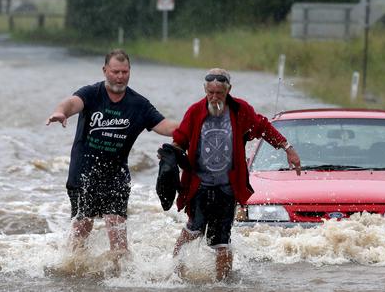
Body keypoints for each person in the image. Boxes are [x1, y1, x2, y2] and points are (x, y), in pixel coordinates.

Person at [46, 49, 178, 263]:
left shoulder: (139, 104)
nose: (120, 77)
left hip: (115, 175)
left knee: (117, 234)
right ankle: (71, 270)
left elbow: (163, 126)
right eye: (115, 71)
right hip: (84, 173)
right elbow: (72, 103)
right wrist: (61, 111)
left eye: (124, 72)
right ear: (105, 70)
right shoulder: (91, 93)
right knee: (82, 229)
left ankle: (120, 276)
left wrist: (193, 127)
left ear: (130, 72)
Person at [171, 68, 301, 281]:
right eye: (210, 93)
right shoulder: (195, 111)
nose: (214, 98)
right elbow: (179, 139)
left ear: (228, 90)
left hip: (227, 188)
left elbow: (263, 126)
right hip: (199, 186)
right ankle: (174, 272)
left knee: (222, 241)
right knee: (193, 230)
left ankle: (223, 283)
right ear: (205, 90)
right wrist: (168, 159)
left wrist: (288, 148)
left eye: (219, 93)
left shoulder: (240, 110)